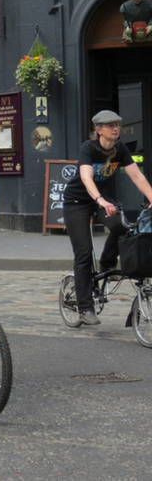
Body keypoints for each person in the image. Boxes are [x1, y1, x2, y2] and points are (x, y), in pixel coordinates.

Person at [64, 110, 152, 325]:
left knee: (122, 227)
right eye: (110, 125)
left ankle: (107, 265)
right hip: (77, 202)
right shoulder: (88, 148)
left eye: (117, 125)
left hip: (101, 200)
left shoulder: (120, 148)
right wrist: (100, 200)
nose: (116, 128)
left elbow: (136, 175)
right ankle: (85, 308)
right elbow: (86, 177)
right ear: (99, 130)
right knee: (83, 253)